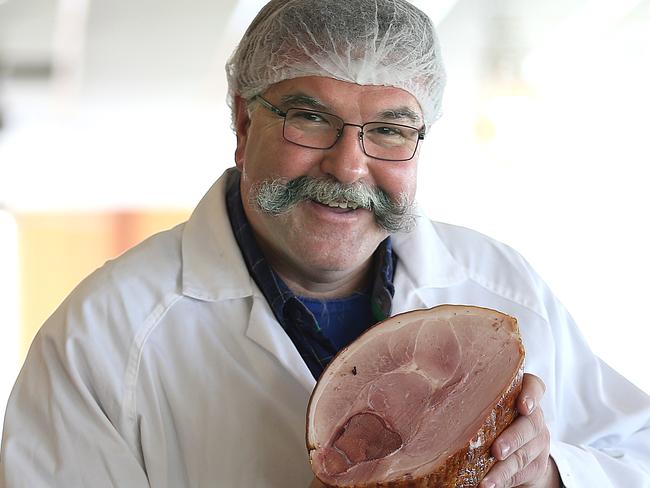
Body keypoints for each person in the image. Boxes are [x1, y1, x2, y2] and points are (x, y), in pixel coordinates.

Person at [2, 0, 649, 486]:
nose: (348, 167)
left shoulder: (505, 287)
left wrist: (553, 473)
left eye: (391, 130)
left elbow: (636, 450)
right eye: (310, 118)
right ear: (242, 118)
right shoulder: (99, 338)